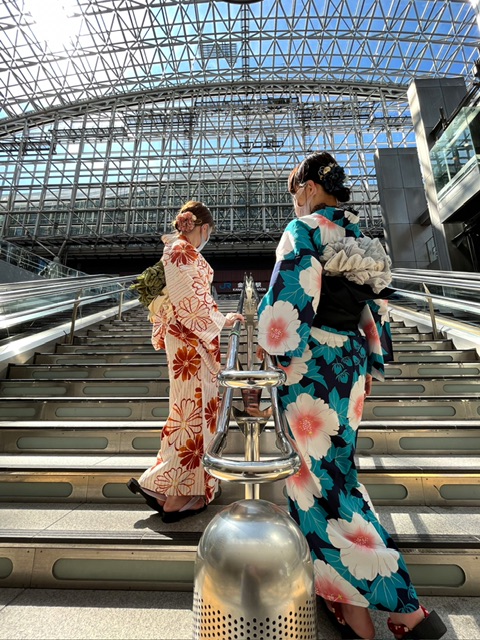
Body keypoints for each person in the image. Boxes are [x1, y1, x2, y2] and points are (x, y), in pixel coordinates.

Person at [256, 153, 447, 640]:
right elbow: (377, 307)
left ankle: (403, 605)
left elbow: (287, 302)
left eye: (293, 188)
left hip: (312, 368)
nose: (293, 198)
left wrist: (274, 355)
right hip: (351, 365)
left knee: (314, 482)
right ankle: (353, 612)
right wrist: (372, 361)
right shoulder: (365, 239)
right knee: (333, 475)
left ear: (311, 188)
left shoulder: (303, 231)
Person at [128, 201, 244, 523]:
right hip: (192, 344)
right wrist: (221, 322)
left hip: (183, 343)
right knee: (194, 416)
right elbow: (193, 302)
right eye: (208, 233)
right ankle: (181, 497)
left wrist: (217, 319)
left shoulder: (175, 250)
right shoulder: (181, 252)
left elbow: (186, 299)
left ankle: (160, 485)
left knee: (184, 413)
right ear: (203, 228)